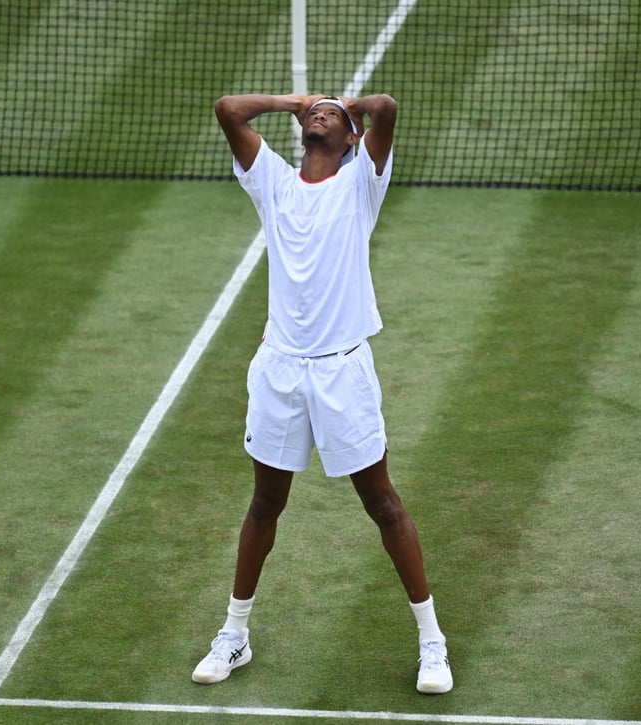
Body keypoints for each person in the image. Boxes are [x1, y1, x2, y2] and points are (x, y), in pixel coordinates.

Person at [191, 92, 452, 695]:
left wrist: (351, 107)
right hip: (278, 370)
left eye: (332, 115)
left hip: (342, 373)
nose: (320, 115)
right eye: (315, 114)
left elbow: (385, 105)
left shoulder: (363, 183)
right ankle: (235, 636)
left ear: (352, 139)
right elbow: (229, 108)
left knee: (383, 504)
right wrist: (295, 101)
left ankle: (432, 644)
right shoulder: (273, 183)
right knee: (264, 504)